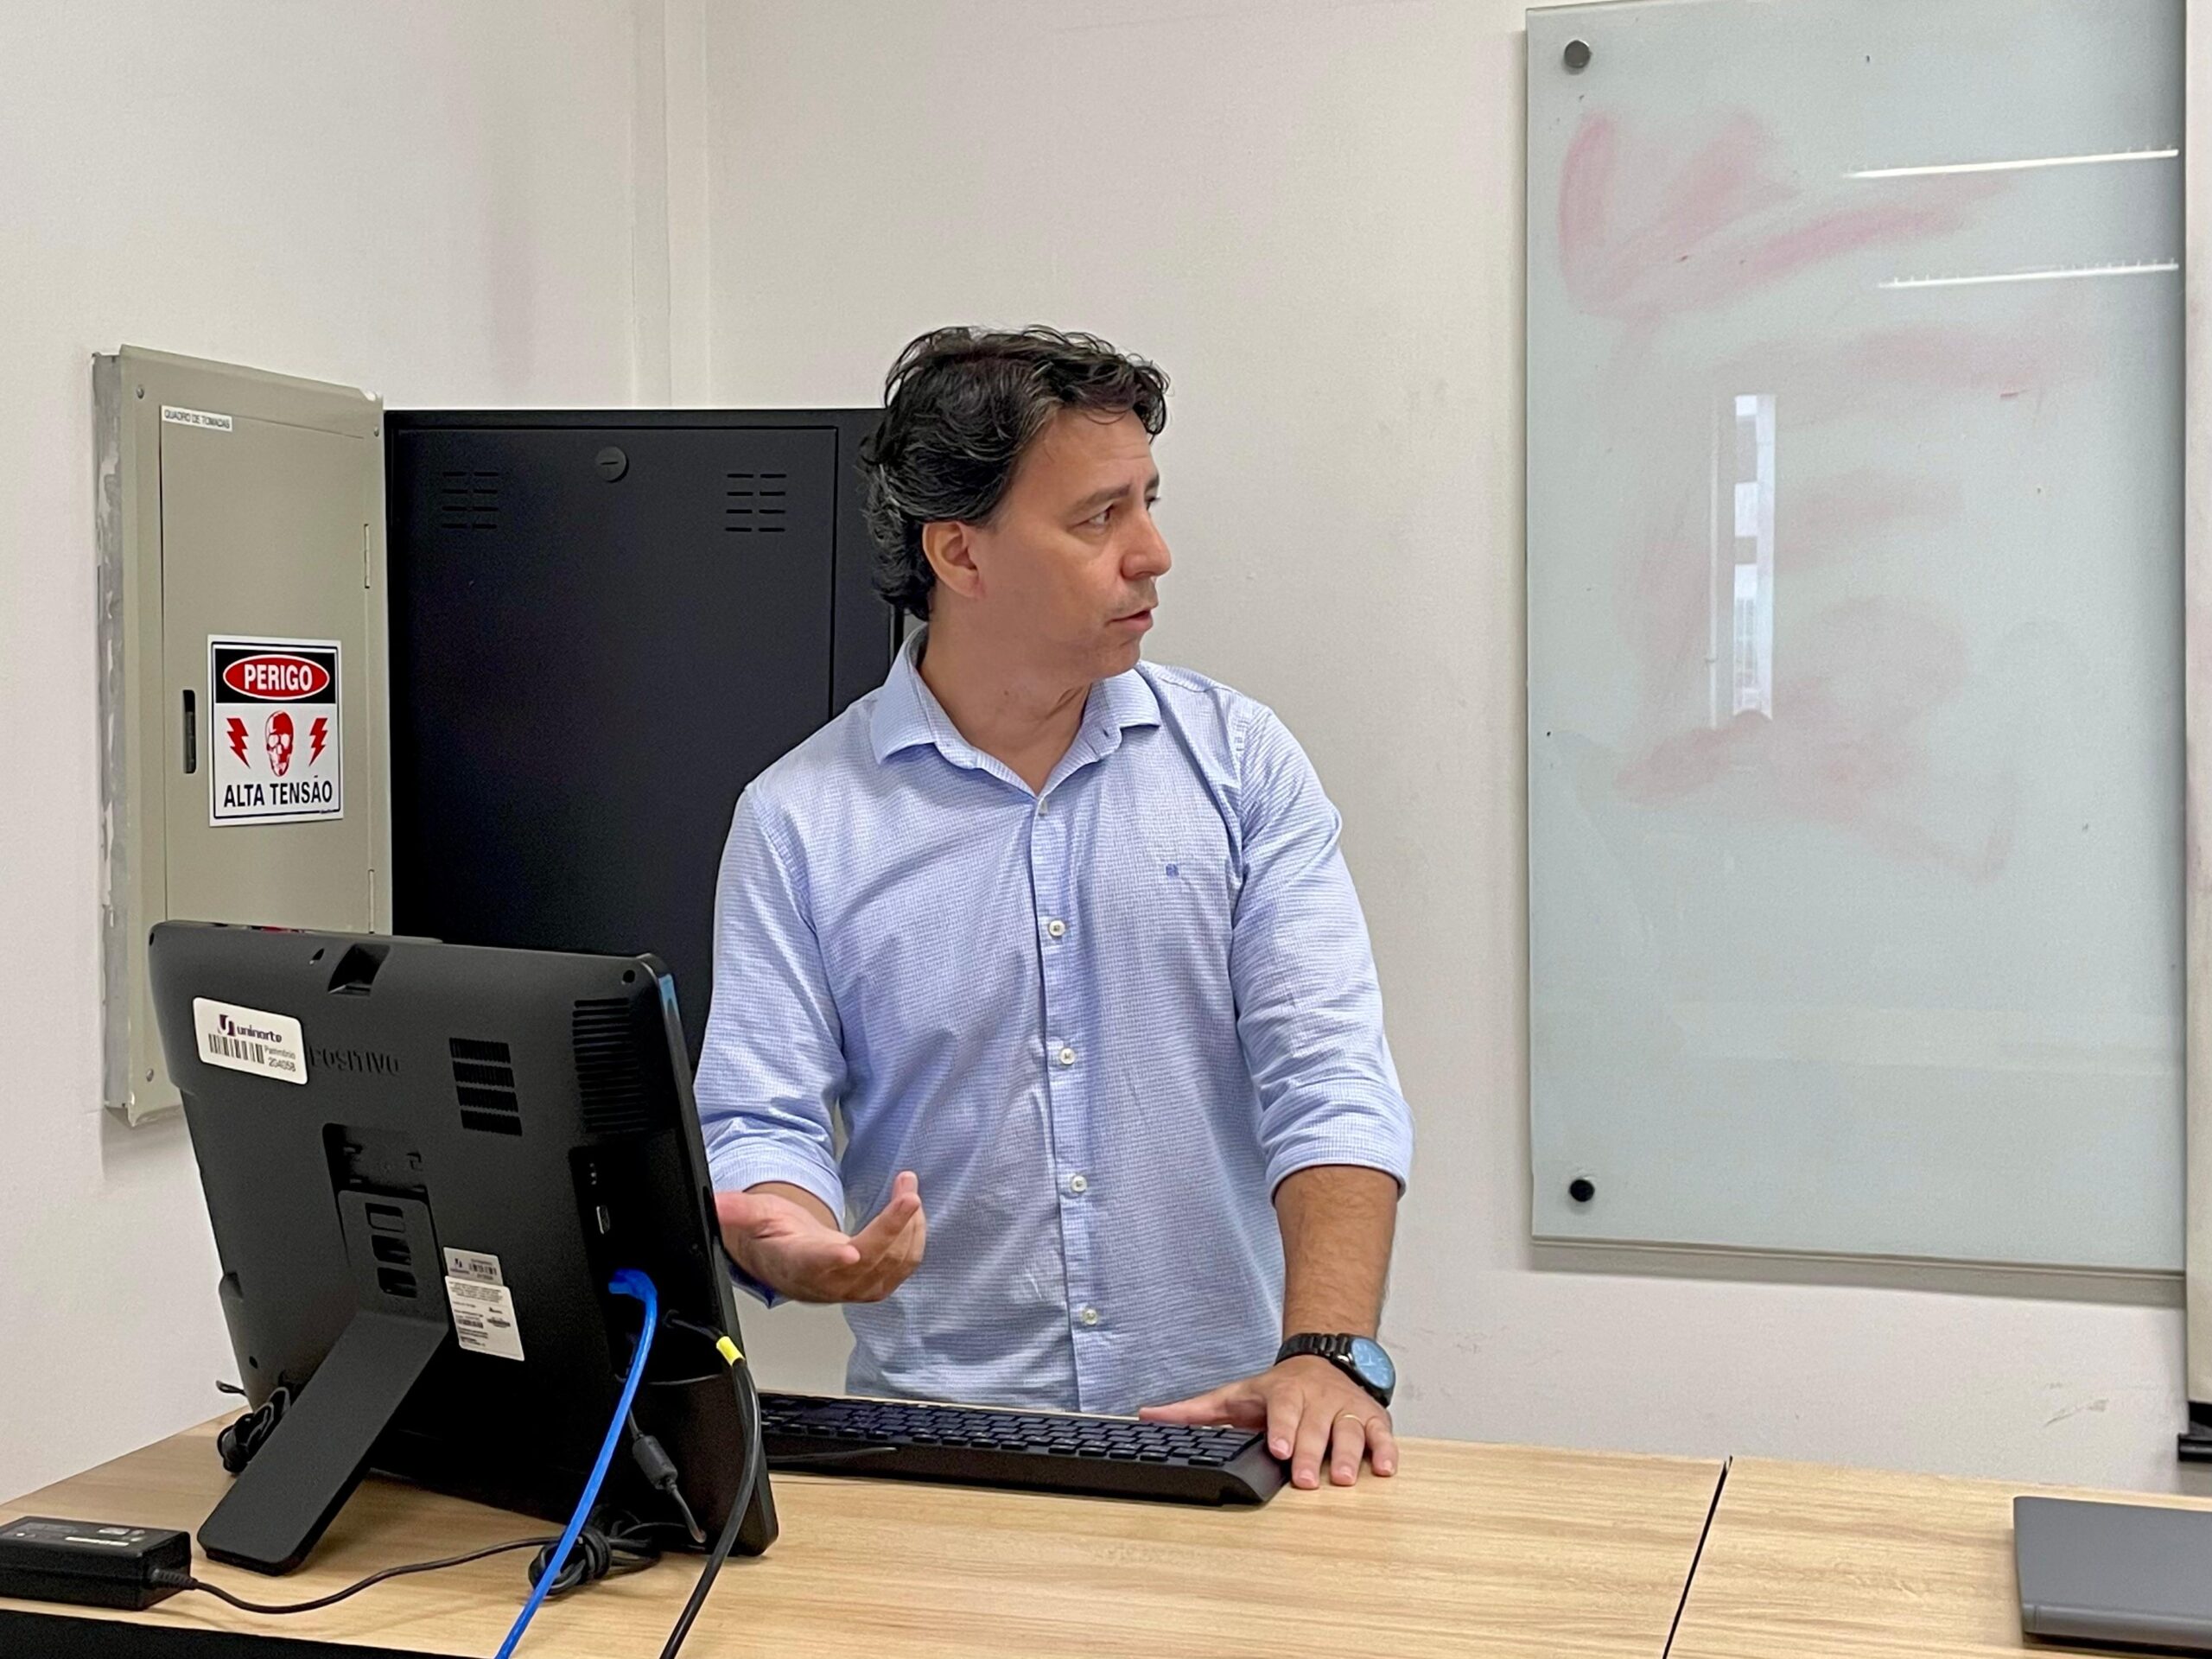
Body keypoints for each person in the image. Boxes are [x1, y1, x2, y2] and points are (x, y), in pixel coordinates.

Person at [694, 327, 1414, 1490]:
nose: (1153, 553)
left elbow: (1327, 1076)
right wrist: (793, 1237)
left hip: (1232, 1433)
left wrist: (1329, 1353)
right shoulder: (801, 820)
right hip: (940, 1450)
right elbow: (760, 1120)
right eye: (1098, 518)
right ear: (960, 554)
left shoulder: (1240, 765)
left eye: (1148, 502)